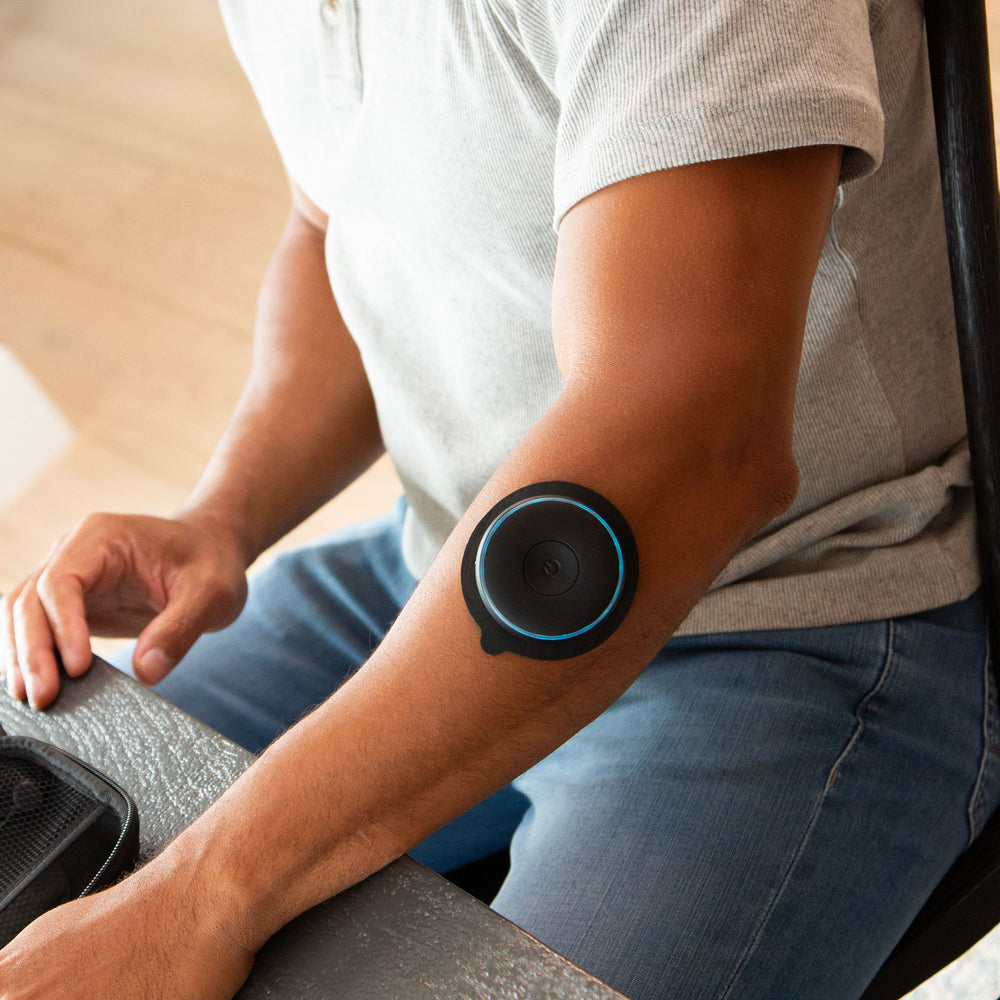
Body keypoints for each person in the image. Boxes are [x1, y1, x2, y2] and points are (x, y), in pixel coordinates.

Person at [1, 0, 996, 997]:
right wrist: (223, 513)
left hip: (799, 617)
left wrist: (199, 896)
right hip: (435, 564)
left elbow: (688, 442)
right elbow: (335, 225)